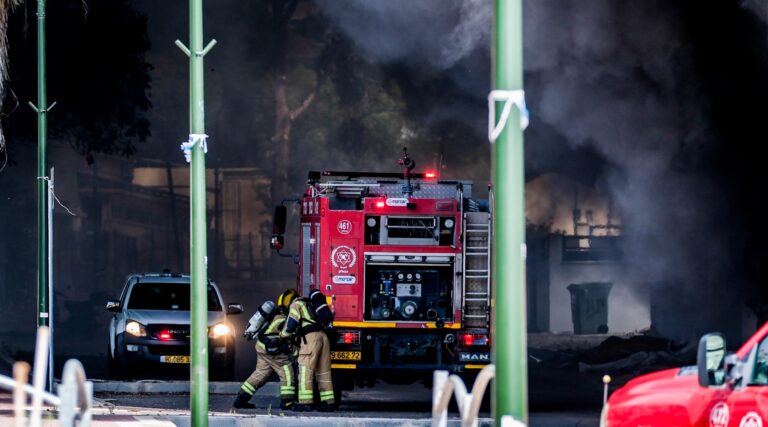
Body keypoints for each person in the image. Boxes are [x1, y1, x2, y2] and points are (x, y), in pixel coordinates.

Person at [231, 289, 297, 411]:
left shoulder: (274, 314)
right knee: (287, 373)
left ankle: (240, 400)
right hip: (273, 351)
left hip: (261, 347)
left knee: (260, 374)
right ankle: (287, 403)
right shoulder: (285, 318)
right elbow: (287, 335)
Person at [279, 289, 335, 412]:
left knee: (305, 370)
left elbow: (291, 325)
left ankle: (305, 403)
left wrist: (282, 336)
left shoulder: (296, 304)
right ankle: (328, 403)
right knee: (323, 372)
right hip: (323, 337)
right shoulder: (309, 303)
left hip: (311, 338)